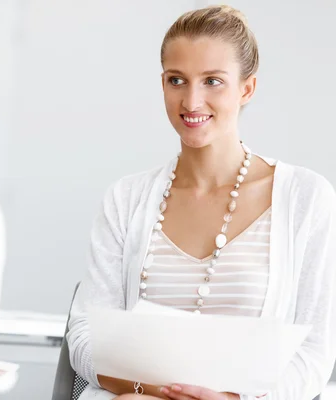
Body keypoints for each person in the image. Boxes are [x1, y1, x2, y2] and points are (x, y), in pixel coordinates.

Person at [67, 5, 336, 400]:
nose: (192, 102)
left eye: (213, 81)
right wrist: (154, 390)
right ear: (162, 83)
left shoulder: (306, 198)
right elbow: (86, 336)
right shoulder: (126, 200)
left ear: (247, 89)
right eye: (177, 80)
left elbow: (314, 352)